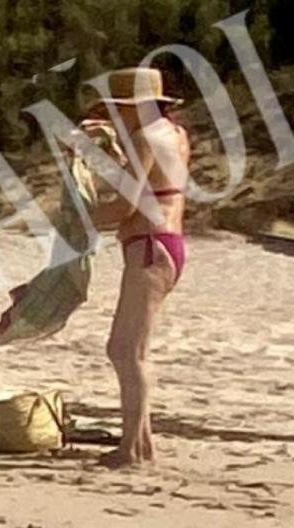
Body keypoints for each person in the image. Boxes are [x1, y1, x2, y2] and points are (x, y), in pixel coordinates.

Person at [82, 67, 190, 468]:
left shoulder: (146, 137)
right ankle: (140, 444)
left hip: (149, 244)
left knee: (127, 351)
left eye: (119, 110)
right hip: (166, 243)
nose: (116, 117)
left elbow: (125, 205)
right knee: (131, 349)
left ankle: (132, 449)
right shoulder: (174, 133)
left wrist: (81, 217)